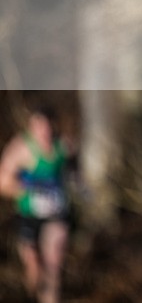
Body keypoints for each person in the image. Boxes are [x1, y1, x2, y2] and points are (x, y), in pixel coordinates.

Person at [0, 106, 71, 303]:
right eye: (39, 127)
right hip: (28, 214)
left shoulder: (62, 146)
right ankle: (32, 296)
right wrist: (26, 187)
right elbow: (3, 183)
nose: (44, 133)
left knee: (53, 260)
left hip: (55, 212)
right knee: (32, 263)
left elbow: (75, 169)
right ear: (31, 128)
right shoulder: (20, 149)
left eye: (48, 127)